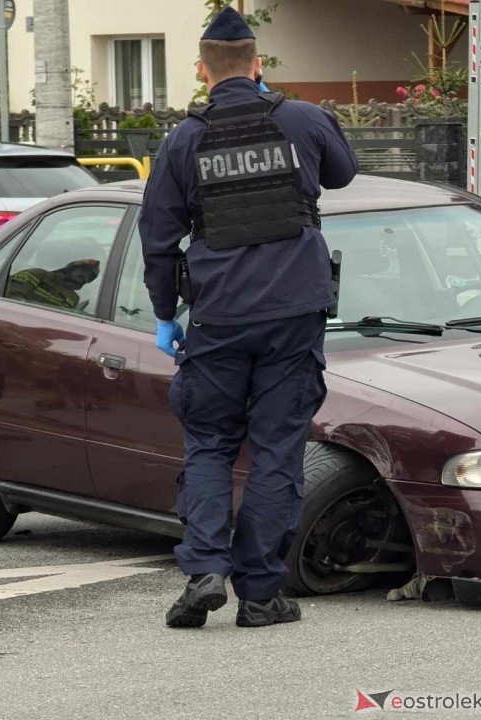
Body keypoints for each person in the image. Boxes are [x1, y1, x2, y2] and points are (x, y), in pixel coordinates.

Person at [139, 6, 359, 628]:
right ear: (258, 65)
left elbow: (157, 240)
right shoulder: (303, 121)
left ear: (201, 71)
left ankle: (206, 567)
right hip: (294, 316)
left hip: (219, 318)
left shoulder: (183, 140)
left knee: (209, 442)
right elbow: (343, 172)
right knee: (276, 452)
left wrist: (164, 315)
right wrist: (301, 119)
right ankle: (261, 595)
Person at [5, 258, 101, 312]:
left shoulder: (73, 298)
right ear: (70, 268)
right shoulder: (37, 275)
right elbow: (11, 299)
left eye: (90, 277)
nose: (85, 278)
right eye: (82, 271)